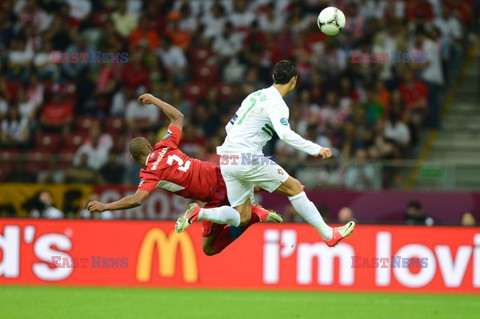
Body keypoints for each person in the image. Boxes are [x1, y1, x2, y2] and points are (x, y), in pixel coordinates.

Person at [176, 60, 355, 247]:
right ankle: (329, 234)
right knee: (294, 187)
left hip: (227, 159)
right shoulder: (278, 104)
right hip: (248, 157)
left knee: (243, 216)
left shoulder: (255, 95)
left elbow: (230, 126)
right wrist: (316, 149)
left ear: (273, 77)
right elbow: (285, 134)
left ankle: (200, 213)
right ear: (294, 80)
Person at [87, 93, 282, 256]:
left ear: (132, 158)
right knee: (255, 186)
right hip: (220, 172)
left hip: (213, 195)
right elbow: (178, 117)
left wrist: (106, 207)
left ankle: (256, 214)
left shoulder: (150, 174)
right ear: (149, 146)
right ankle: (269, 198)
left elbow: (138, 200)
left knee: (210, 248)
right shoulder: (165, 144)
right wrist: (154, 100)